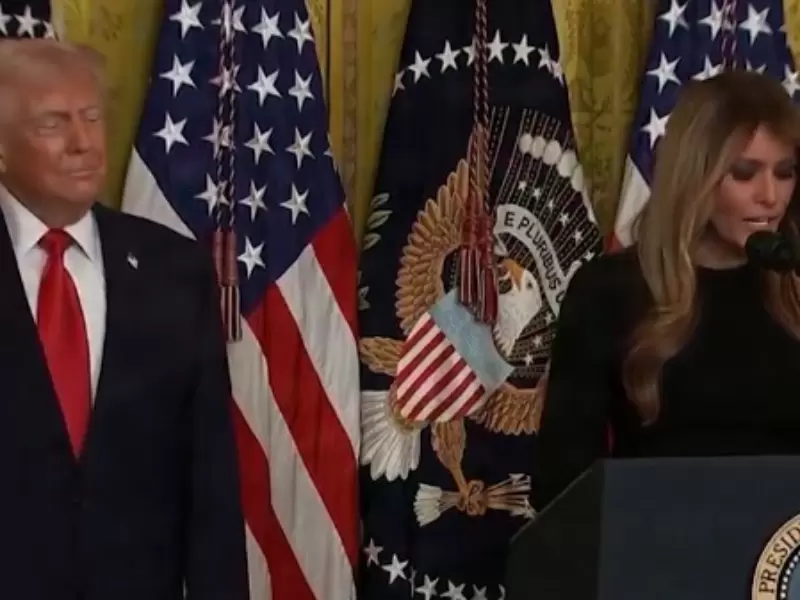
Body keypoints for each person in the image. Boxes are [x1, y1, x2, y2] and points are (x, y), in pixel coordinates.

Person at [0, 39, 249, 599]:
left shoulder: (174, 270)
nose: (83, 143)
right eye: (53, 123)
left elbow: (209, 478)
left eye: (91, 117)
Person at [534, 69, 800, 510]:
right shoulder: (610, 290)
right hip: (656, 540)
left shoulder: (792, 282)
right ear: (696, 176)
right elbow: (562, 481)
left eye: (786, 172)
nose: (770, 196)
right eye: (744, 173)